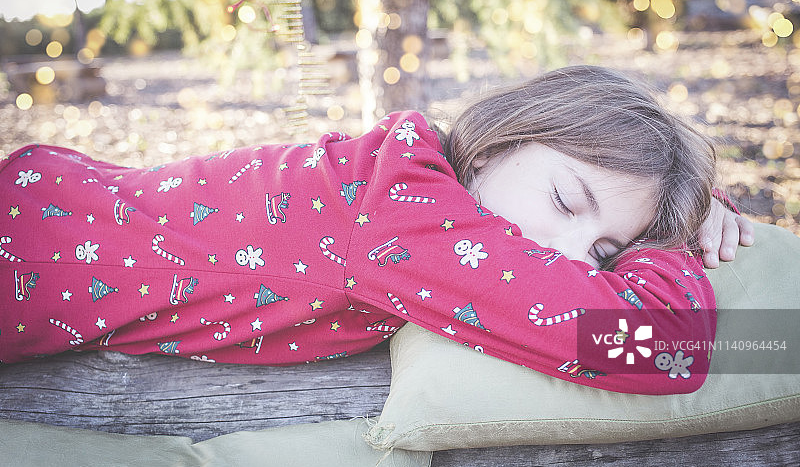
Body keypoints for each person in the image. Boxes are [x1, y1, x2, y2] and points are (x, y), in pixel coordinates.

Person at [0, 65, 752, 394]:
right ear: (493, 147)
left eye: (603, 253)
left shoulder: (399, 179)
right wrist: (674, 249)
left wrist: (669, 219)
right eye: (564, 199)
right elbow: (665, 349)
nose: (564, 255)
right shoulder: (410, 217)